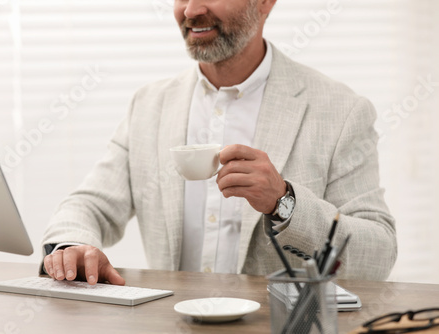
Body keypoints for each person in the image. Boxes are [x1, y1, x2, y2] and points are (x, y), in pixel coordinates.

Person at [41, 0, 397, 285]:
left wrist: (284, 201)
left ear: (265, 3)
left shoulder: (342, 111)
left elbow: (376, 255)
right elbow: (91, 205)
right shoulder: (148, 105)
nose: (192, 10)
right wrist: (73, 245)